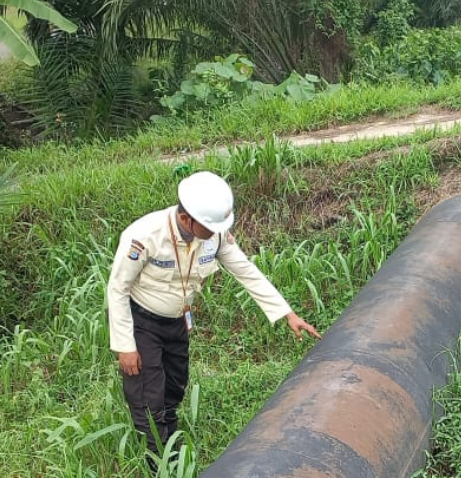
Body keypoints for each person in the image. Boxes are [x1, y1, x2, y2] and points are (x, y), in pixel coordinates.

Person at [106, 170, 322, 457]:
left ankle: (170, 444)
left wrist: (287, 314)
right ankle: (159, 461)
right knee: (148, 395)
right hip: (141, 322)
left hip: (177, 322)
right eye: (209, 226)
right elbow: (117, 289)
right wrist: (126, 346)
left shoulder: (214, 236)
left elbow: (246, 271)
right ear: (186, 218)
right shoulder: (145, 236)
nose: (215, 232)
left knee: (174, 386)